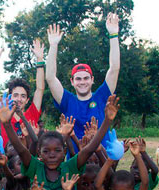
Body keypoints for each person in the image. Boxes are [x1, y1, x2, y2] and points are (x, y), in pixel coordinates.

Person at [0, 94, 119, 190]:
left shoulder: (70, 167)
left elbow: (89, 149)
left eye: (57, 150)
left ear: (64, 151)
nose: (52, 155)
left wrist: (107, 120)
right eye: (46, 151)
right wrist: (7, 124)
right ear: (39, 153)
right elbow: (21, 150)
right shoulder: (35, 167)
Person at [45, 13, 120, 147]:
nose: (82, 82)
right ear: (72, 82)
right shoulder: (67, 101)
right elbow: (50, 78)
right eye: (78, 79)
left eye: (86, 78)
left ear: (92, 80)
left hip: (101, 162)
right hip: (75, 162)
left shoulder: (102, 97)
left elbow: (114, 69)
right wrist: (53, 45)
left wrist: (113, 35)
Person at [0, 39, 45, 147]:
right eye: (15, 95)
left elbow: (40, 89)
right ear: (9, 97)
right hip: (6, 160)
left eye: (23, 96)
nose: (19, 99)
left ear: (27, 100)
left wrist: (39, 59)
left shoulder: (32, 113)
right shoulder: (2, 111)